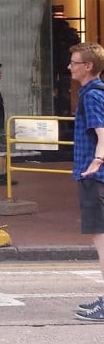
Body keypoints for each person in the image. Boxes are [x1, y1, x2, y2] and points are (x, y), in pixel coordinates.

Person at [66, 42, 104, 322]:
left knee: (101, 238)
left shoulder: (91, 95)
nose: (70, 66)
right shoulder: (95, 93)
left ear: (88, 66)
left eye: (74, 62)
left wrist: (97, 161)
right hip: (95, 175)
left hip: (95, 177)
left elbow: (102, 132)